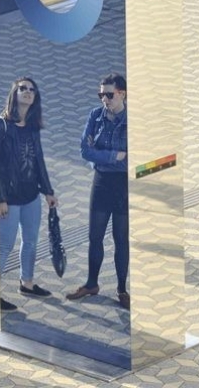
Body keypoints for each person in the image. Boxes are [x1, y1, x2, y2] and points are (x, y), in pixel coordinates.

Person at [67, 73, 130, 310]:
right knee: (95, 237)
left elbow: (132, 160)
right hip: (101, 182)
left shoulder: (133, 119)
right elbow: (85, 150)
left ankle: (122, 289)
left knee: (120, 239)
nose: (104, 99)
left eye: (109, 94)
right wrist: (115, 156)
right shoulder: (96, 115)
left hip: (123, 186)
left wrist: (102, 157)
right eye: (101, 94)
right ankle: (92, 283)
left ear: (122, 93)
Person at [0, 78, 57, 311]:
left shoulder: (32, 126)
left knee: (30, 241)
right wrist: (0, 198)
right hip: (9, 199)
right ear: (14, 93)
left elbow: (38, 160)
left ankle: (27, 283)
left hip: (31, 195)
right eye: (23, 89)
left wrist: (48, 191)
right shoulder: (1, 125)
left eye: (32, 90)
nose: (28, 92)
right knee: (4, 246)